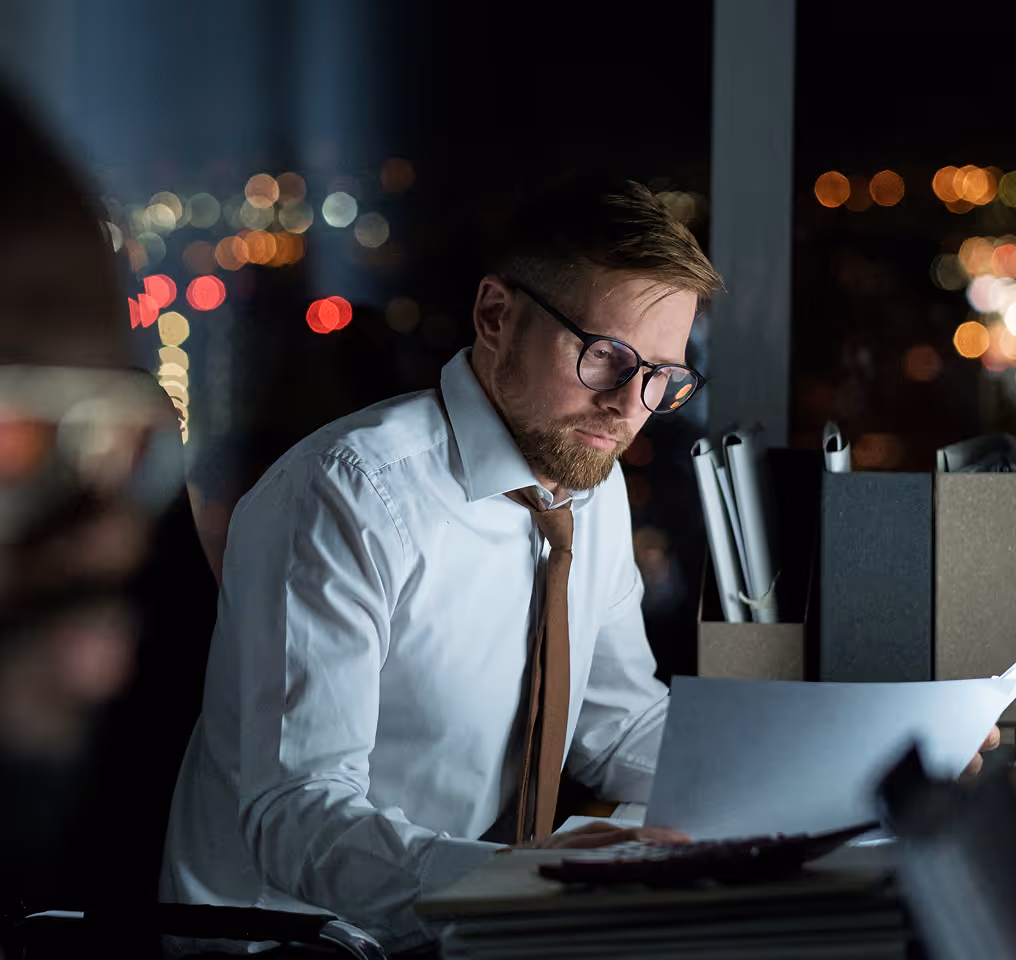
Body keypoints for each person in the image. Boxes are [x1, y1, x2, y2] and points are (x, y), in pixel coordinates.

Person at [159, 176, 999, 955]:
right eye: (605, 357)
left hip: (467, 929)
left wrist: (867, 769)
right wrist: (513, 883)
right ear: (495, 316)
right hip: (290, 940)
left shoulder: (583, 484)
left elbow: (616, 724)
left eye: (661, 379)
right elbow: (293, 817)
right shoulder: (347, 496)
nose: (628, 407)